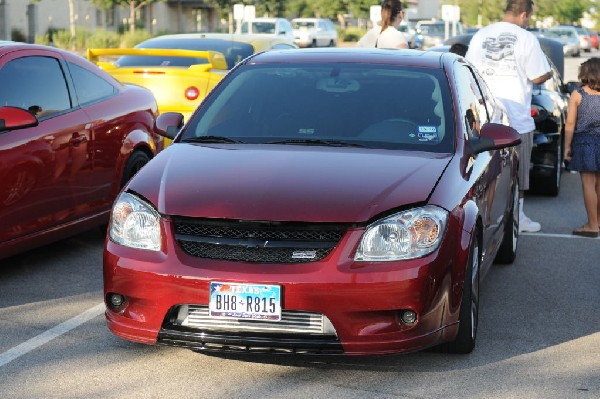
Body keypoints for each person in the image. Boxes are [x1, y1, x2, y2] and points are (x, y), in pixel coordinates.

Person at [465, 0, 551, 233]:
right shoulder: (526, 38)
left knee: (484, 173)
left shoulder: (481, 35)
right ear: (524, 14)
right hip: (516, 121)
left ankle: (484, 218)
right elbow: (538, 75)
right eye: (529, 17)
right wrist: (549, 71)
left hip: (484, 119)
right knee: (519, 170)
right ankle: (518, 216)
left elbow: (468, 72)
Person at [564, 58, 600, 238]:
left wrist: (566, 147)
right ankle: (598, 222)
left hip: (585, 142)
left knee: (588, 184)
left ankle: (592, 225)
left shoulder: (578, 94)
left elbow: (570, 123)